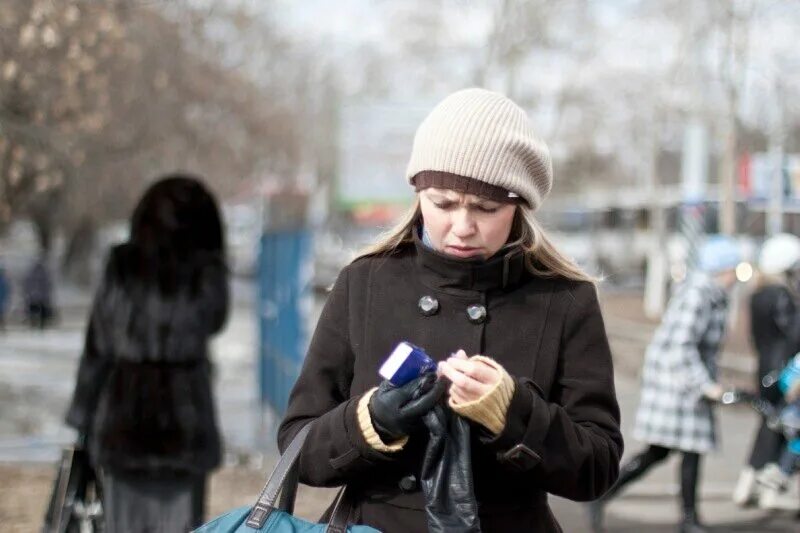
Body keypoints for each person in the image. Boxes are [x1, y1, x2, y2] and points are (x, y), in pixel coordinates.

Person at [277, 88, 623, 532]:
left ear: (519, 206)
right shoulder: (365, 283)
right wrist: (372, 420)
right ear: (417, 192)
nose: (462, 226)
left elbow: (598, 466)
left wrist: (511, 412)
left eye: (486, 208)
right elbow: (297, 446)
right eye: (442, 203)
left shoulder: (564, 299)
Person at [65, 175, 229, 532]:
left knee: (123, 523)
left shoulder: (123, 264)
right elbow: (216, 320)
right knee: (183, 524)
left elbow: (98, 344)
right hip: (184, 421)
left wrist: (82, 416)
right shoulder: (206, 271)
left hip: (126, 419)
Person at [588, 235, 742, 533]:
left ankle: (687, 518)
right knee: (670, 450)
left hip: (682, 382)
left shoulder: (709, 294)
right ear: (723, 269)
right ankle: (682, 517)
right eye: (734, 268)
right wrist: (705, 385)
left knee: (679, 450)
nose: (736, 276)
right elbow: (681, 345)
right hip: (677, 384)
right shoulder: (700, 295)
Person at [733, 233, 800, 509]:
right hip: (785, 372)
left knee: (769, 425)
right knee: (786, 428)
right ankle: (774, 485)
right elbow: (794, 335)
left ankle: (747, 484)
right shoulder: (781, 295)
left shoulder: (757, 293)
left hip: (765, 368)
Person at [23, 252, 54, 328]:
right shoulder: (44, 273)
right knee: (37, 311)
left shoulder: (32, 273)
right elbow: (48, 285)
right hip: (39, 297)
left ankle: (36, 323)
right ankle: (38, 323)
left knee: (36, 312)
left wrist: (29, 294)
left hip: (35, 297)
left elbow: (28, 285)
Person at [0, 260, 9, 330]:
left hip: (1, 302)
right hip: (2, 302)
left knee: (1, 316)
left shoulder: (3, 280)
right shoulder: (4, 280)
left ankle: (2, 328)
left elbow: (6, 291)